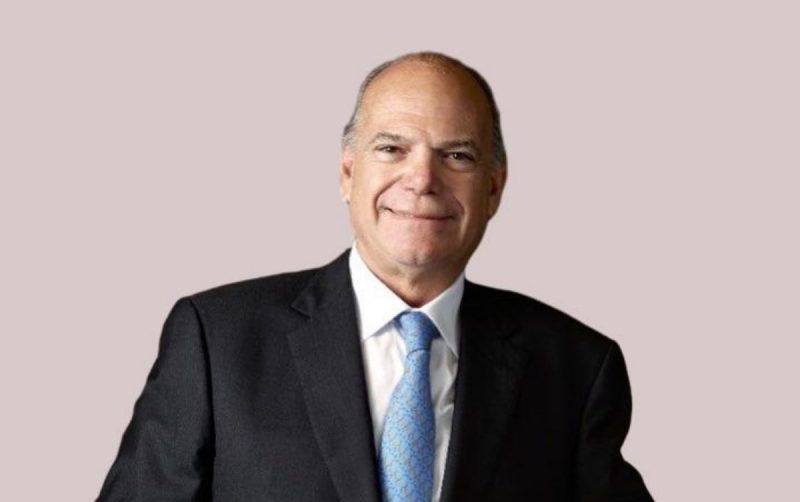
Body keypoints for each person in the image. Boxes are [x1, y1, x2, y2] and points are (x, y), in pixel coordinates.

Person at [97, 52, 654, 501]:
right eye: (392, 148)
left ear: (493, 188)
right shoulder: (217, 341)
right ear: (348, 172)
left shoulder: (576, 368)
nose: (422, 178)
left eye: (457, 155)